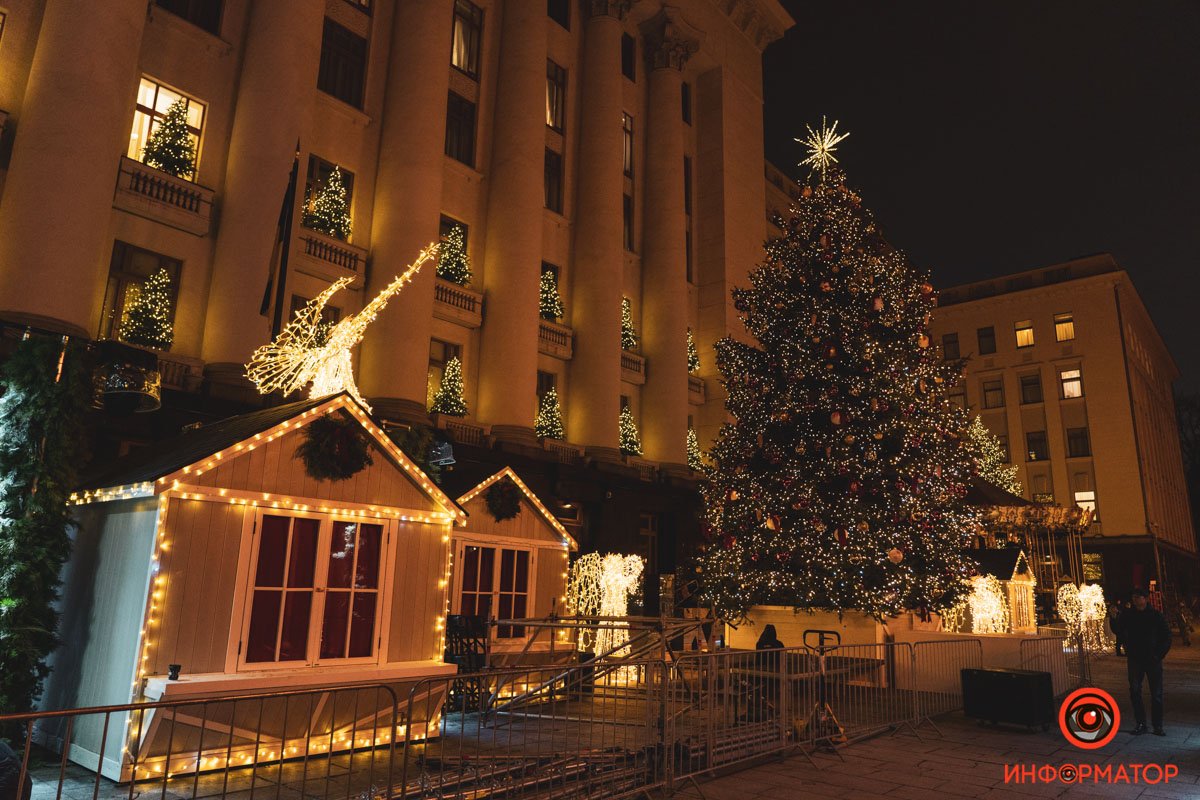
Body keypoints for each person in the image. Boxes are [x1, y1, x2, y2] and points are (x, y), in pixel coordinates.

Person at [1123, 588, 1172, 735]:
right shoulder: (1129, 615)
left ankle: (1157, 725)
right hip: (1135, 659)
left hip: (1152, 659)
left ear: (1146, 599)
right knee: (1135, 691)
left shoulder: (1156, 616)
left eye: (1138, 597)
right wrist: (1113, 618)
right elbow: (1120, 630)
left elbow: (1166, 636)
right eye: (1134, 597)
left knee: (1156, 693)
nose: (1135, 600)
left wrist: (1159, 654)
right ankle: (1141, 723)